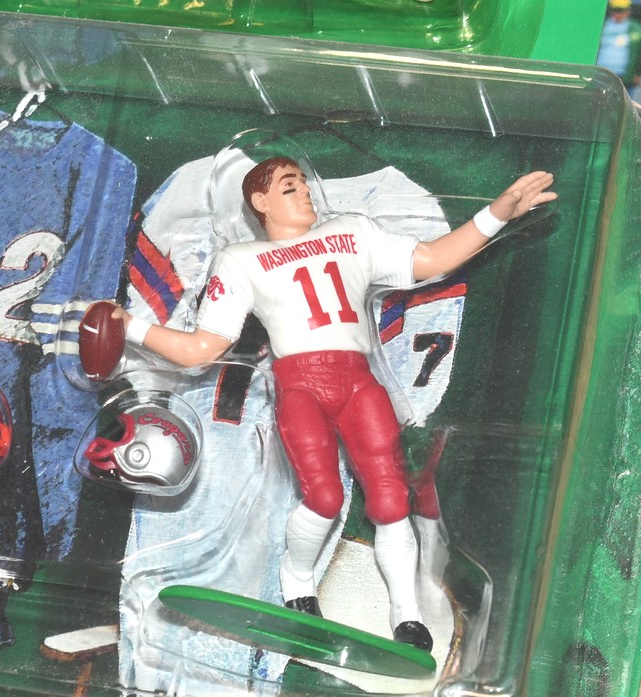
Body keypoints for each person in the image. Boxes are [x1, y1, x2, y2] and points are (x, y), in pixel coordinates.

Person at [109, 156, 554, 650]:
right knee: (324, 498)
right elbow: (201, 349)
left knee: (391, 498)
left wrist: (496, 214)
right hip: (300, 384)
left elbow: (432, 260)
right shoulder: (241, 259)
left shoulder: (352, 232)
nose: (304, 193)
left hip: (358, 381)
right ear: (260, 201)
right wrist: (130, 327)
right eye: (288, 187)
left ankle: (407, 616)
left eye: (303, 184)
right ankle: (298, 581)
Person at [597, 0, 641, 101]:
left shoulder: (637, 29)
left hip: (625, 77)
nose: (618, 14)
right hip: (600, 73)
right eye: (615, 10)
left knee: (622, 104)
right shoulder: (601, 26)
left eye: (622, 10)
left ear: (628, 11)